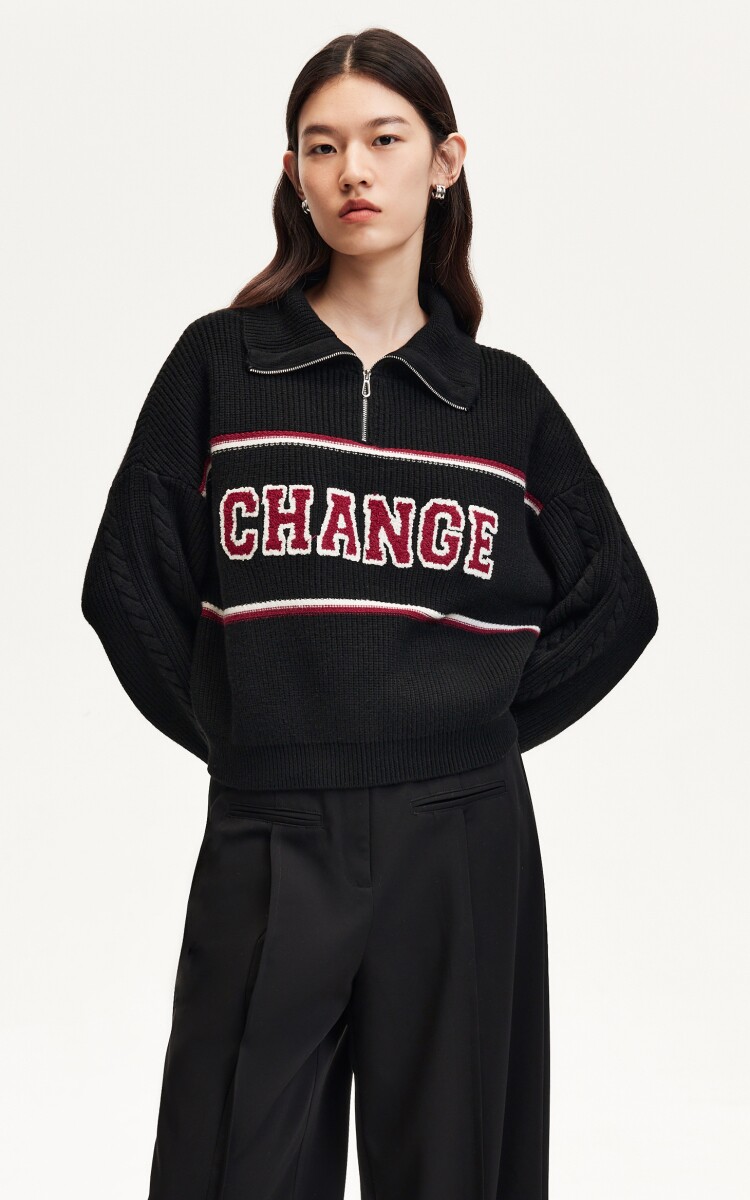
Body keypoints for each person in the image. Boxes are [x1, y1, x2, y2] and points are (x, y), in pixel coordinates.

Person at [80, 26, 658, 1200]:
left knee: (458, 1173)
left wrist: (463, 731)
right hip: (271, 832)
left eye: (384, 140)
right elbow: (125, 584)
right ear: (293, 172)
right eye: (322, 145)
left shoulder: (503, 402)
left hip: (460, 842)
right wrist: (250, 735)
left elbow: (618, 603)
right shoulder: (222, 366)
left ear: (444, 161)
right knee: (229, 1165)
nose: (353, 170)